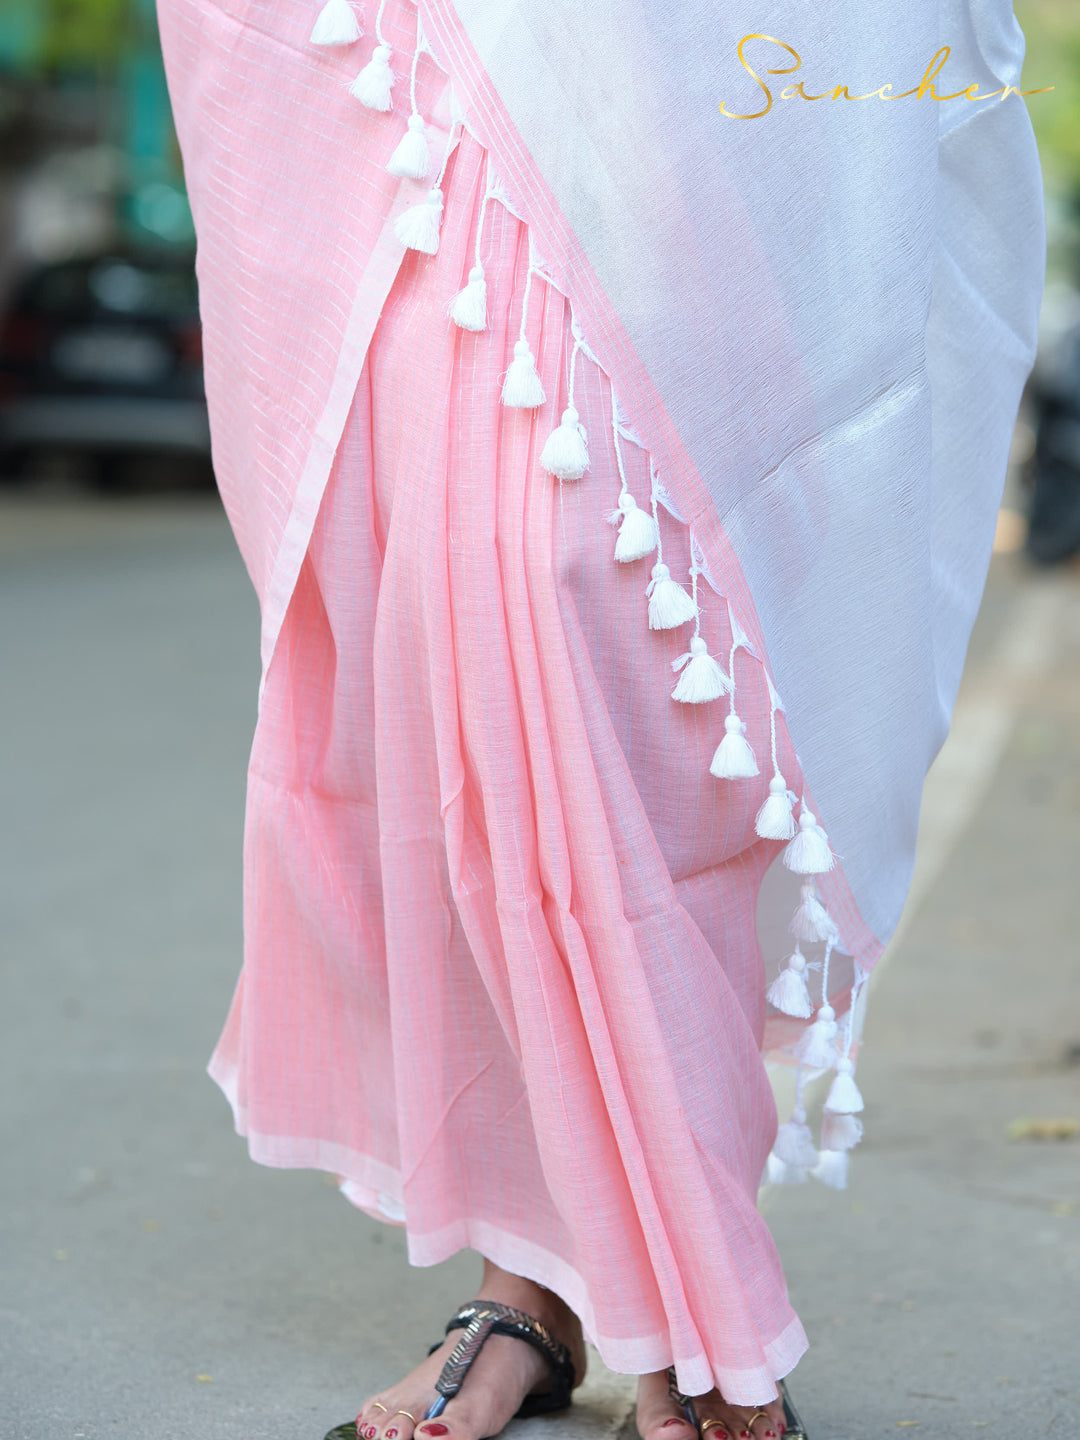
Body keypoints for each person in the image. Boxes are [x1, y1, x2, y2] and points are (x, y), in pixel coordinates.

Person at [156, 2, 1045, 1438]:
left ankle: (663, 1290)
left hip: (669, 95)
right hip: (406, 74)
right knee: (465, 665)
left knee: (629, 665)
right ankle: (557, 1284)